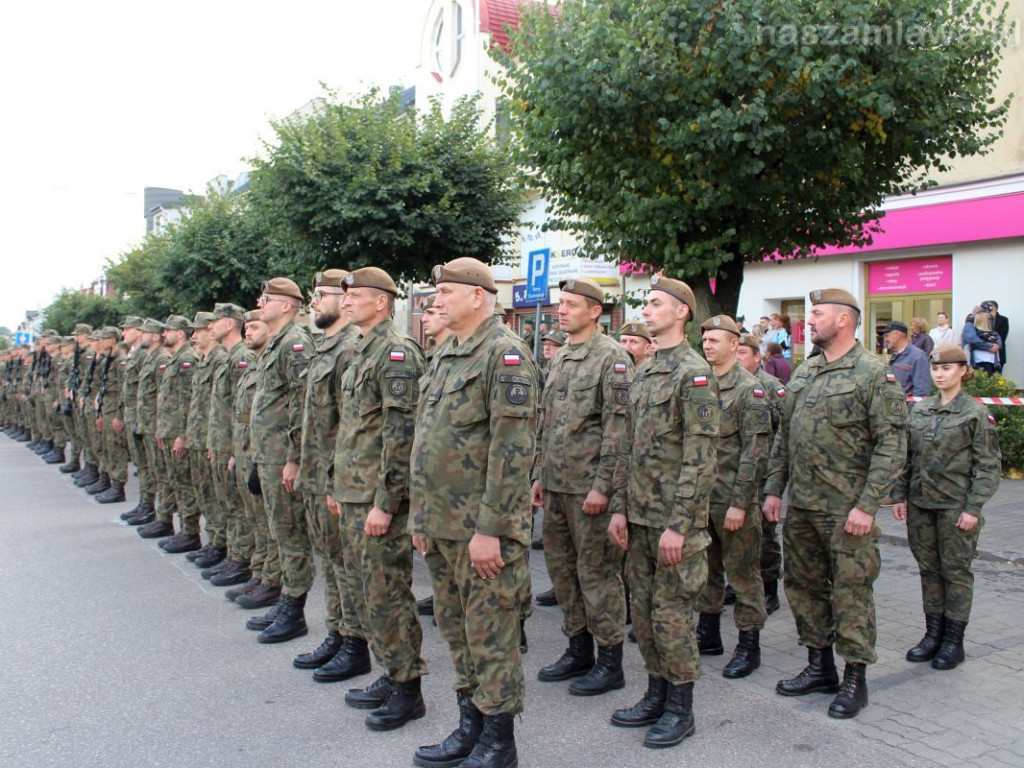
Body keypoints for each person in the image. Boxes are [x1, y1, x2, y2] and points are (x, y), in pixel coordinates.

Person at [410, 258, 538, 768]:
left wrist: (490, 530)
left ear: (478, 297)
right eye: (435, 291)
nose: (435, 301)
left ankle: (499, 741)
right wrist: (420, 517)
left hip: (480, 530)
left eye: (446, 291)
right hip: (441, 525)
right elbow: (426, 442)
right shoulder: (446, 354)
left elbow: (513, 452)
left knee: (491, 636)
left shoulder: (504, 356)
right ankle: (470, 726)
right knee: (457, 631)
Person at [763, 287, 907, 720]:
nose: (811, 320)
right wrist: (774, 489)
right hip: (803, 507)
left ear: (844, 320)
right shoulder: (805, 373)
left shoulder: (872, 374)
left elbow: (892, 445)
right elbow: (784, 438)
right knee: (804, 589)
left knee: (851, 593)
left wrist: (868, 505)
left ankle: (854, 679)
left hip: (847, 512)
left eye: (818, 314)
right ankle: (819, 666)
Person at [607, 275, 718, 749]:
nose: (647, 310)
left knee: (673, 618)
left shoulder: (694, 372)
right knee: (647, 615)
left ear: (681, 313)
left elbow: (701, 453)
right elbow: (627, 447)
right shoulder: (647, 370)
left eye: (656, 303)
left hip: (674, 522)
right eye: (646, 303)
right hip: (639, 516)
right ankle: (655, 693)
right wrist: (618, 508)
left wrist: (682, 523)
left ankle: (680, 707)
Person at [333, 267, 429, 731]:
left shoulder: (396, 353)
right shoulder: (360, 351)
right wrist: (340, 489)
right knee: (367, 593)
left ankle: (408, 687)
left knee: (387, 592)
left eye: (358, 296)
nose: (347, 302)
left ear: (383, 303)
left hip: (377, 496)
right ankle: (391, 673)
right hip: (354, 491)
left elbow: (401, 433)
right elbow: (353, 429)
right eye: (346, 296)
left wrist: (386, 501)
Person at [532, 277, 633, 697]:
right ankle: (578, 648)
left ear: (595, 311)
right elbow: (546, 420)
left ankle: (610, 660)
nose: (562, 310)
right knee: (563, 572)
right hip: (556, 486)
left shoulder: (613, 358)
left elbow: (619, 428)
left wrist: (604, 488)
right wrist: (538, 474)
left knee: (597, 574)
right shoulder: (561, 358)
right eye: (561, 304)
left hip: (590, 489)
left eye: (572, 304)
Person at [891, 344, 1001, 671]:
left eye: (947, 369)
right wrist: (899, 494)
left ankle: (954, 641)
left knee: (955, 572)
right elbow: (907, 458)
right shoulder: (921, 410)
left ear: (963, 372)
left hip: (956, 508)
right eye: (936, 369)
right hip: (921, 504)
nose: (940, 374)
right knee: (929, 570)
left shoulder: (975, 414)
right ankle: (932, 634)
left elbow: (988, 467)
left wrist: (973, 507)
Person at [695, 316, 771, 679]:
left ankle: (748, 644)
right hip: (702, 499)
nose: (708, 345)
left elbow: (754, 452)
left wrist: (741, 503)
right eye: (705, 340)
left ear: (733, 345)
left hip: (732, 500)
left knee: (742, 576)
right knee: (705, 571)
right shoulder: (699, 382)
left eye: (715, 340)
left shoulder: (749, 389)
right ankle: (708, 634)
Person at [249, 277, 314, 644]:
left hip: (281, 456)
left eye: (268, 298)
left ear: (287, 305)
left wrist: (293, 457)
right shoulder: (277, 342)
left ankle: (295, 608)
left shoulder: (295, 343)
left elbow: (300, 404)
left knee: (291, 535)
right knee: (279, 530)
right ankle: (288, 597)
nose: (261, 301)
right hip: (268, 453)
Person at [736, 333, 786, 614]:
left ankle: (770, 589)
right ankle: (738, 584)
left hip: (764, 474)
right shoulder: (727, 384)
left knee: (765, 536)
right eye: (736, 352)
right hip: (738, 474)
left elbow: (785, 431)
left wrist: (776, 480)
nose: (738, 358)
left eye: (743, 353)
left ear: (758, 357)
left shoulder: (771, 387)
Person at [883, 321, 931, 399]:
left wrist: (909, 410)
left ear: (897, 334)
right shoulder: (894, 357)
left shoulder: (918, 357)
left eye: (887, 335)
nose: (885, 339)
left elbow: (921, 393)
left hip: (907, 410)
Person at [970, 310, 1002, 374]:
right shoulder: (974, 332)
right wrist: (990, 346)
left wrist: (997, 346)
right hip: (979, 361)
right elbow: (974, 343)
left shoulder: (994, 333)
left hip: (993, 362)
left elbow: (999, 343)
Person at [989, 300, 1008, 371]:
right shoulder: (984, 319)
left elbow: (1003, 336)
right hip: (986, 355)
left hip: (998, 353)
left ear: (995, 308)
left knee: (997, 377)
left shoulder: (1003, 320)